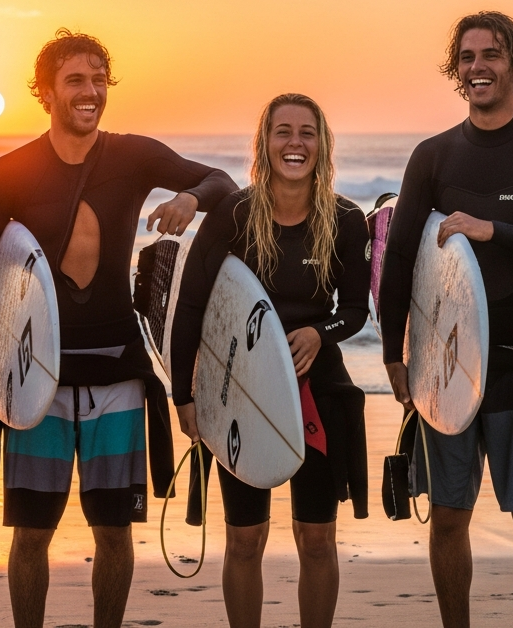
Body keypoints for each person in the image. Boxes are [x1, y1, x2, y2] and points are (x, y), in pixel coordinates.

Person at [0, 29, 236, 628]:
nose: (90, 91)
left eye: (99, 79)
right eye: (75, 80)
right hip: (35, 383)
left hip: (117, 376)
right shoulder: (11, 171)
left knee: (113, 532)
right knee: (30, 534)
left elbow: (222, 185)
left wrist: (186, 197)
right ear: (46, 92)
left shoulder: (132, 156)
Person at [377, 11, 513, 628]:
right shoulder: (434, 155)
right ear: (456, 70)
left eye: (492, 55)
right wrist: (395, 353)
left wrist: (491, 229)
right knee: (447, 513)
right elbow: (398, 262)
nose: (479, 67)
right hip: (445, 364)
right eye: (468, 56)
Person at [170, 93, 369, 628]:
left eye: (307, 133)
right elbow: (191, 307)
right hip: (240, 387)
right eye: (283, 131)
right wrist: (183, 396)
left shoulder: (346, 218)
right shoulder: (234, 215)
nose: (295, 143)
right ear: (265, 143)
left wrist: (319, 334)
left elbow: (354, 310)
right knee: (244, 538)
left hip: (317, 387)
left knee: (317, 537)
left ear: (322, 145)